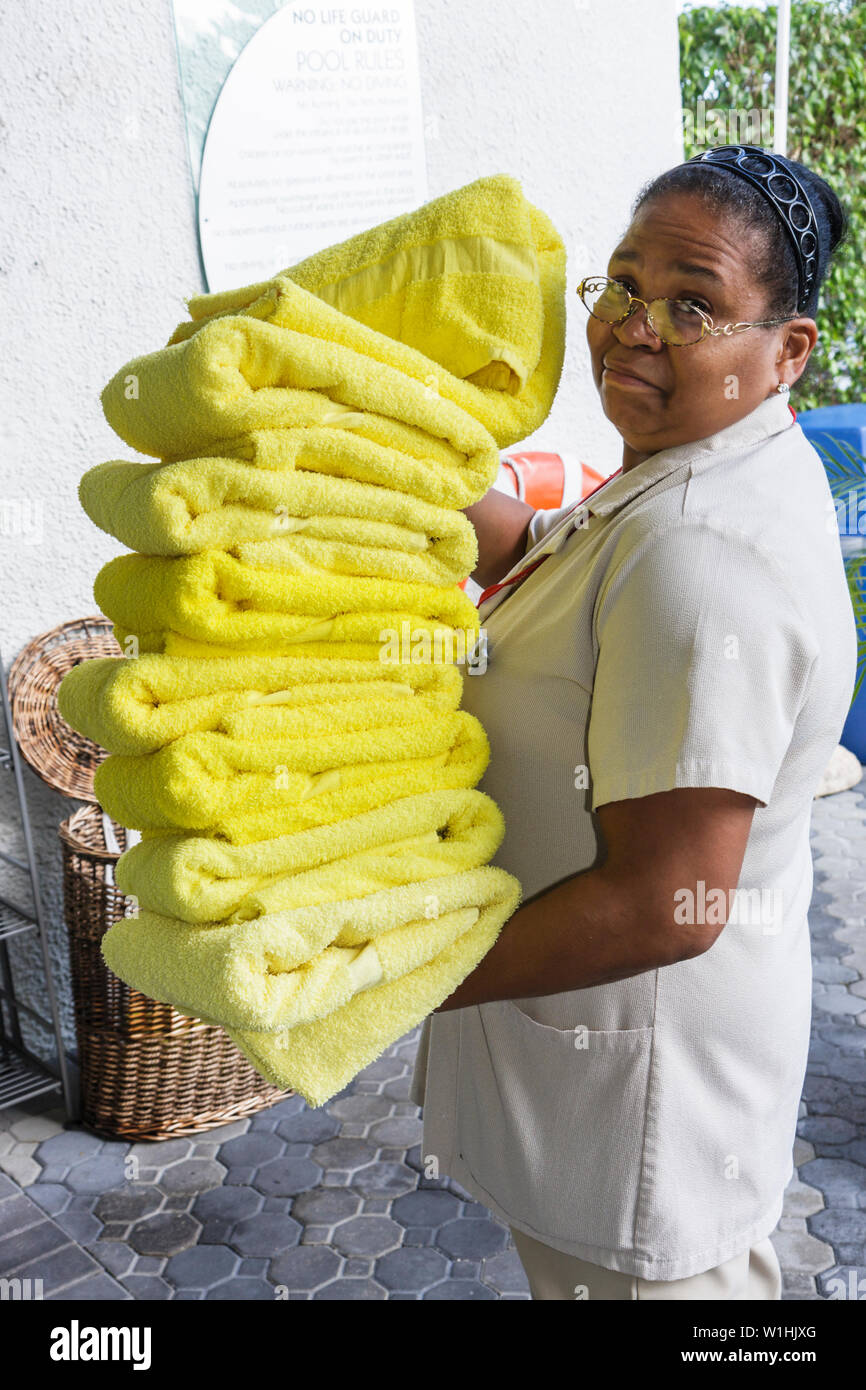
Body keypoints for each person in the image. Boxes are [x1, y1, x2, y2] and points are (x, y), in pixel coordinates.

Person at [409, 146, 858, 1300]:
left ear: (788, 350)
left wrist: (401, 975)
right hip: (601, 1068)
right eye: (620, 283)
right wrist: (398, 471)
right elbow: (557, 565)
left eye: (691, 303)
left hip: (639, 1107)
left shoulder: (704, 551)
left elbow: (667, 899)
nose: (631, 326)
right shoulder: (691, 460)